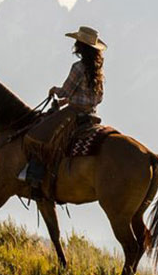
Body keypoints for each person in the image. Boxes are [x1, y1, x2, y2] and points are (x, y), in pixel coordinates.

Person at [20, 26, 106, 193]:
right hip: (92, 115)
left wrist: (55, 91)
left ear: (81, 46)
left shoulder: (78, 67)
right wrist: (70, 100)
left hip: (74, 112)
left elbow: (66, 91)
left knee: (36, 135)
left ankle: (36, 177)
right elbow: (98, 98)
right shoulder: (98, 71)